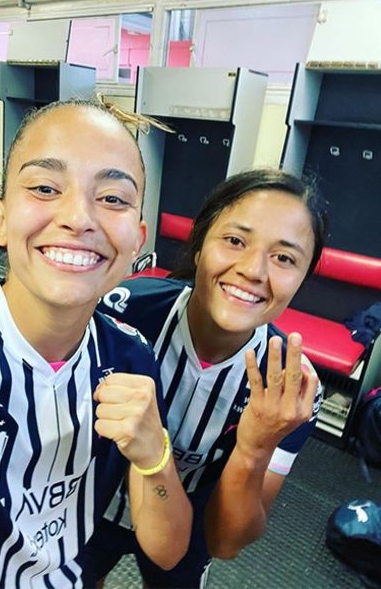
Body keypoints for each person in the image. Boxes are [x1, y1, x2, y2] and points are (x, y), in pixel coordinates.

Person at [0, 99, 192, 587]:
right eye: (45, 188)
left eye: (113, 198)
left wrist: (153, 455)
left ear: (137, 240)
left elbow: (167, 550)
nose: (79, 217)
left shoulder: (130, 356)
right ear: (0, 219)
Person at [83, 168, 326, 587]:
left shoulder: (292, 386)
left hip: (191, 519)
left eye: (284, 258)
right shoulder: (118, 313)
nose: (253, 270)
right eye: (235, 240)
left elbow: (227, 542)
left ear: (302, 278)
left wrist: (255, 446)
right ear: (199, 247)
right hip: (88, 503)